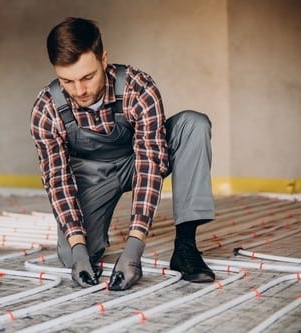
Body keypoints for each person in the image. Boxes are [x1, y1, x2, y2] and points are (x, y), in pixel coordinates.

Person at [30, 17, 216, 290]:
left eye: (88, 77)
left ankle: (185, 247)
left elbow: (149, 164)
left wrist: (133, 248)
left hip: (136, 160)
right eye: (67, 81)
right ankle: (87, 245)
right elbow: (58, 181)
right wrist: (78, 247)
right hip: (91, 175)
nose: (79, 90)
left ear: (104, 59)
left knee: (193, 125)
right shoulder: (46, 109)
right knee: (71, 255)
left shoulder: (137, 88)